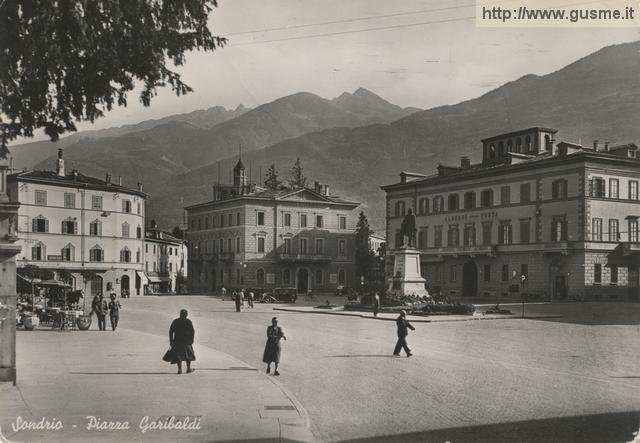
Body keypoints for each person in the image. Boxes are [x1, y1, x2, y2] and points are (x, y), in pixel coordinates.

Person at [163, 309, 196, 374]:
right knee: (188, 355)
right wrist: (192, 339)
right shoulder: (188, 321)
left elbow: (171, 331)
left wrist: (171, 341)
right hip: (187, 341)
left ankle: (179, 370)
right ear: (186, 315)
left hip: (177, 341)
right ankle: (188, 369)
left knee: (178, 356)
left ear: (180, 314)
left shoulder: (175, 321)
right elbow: (192, 331)